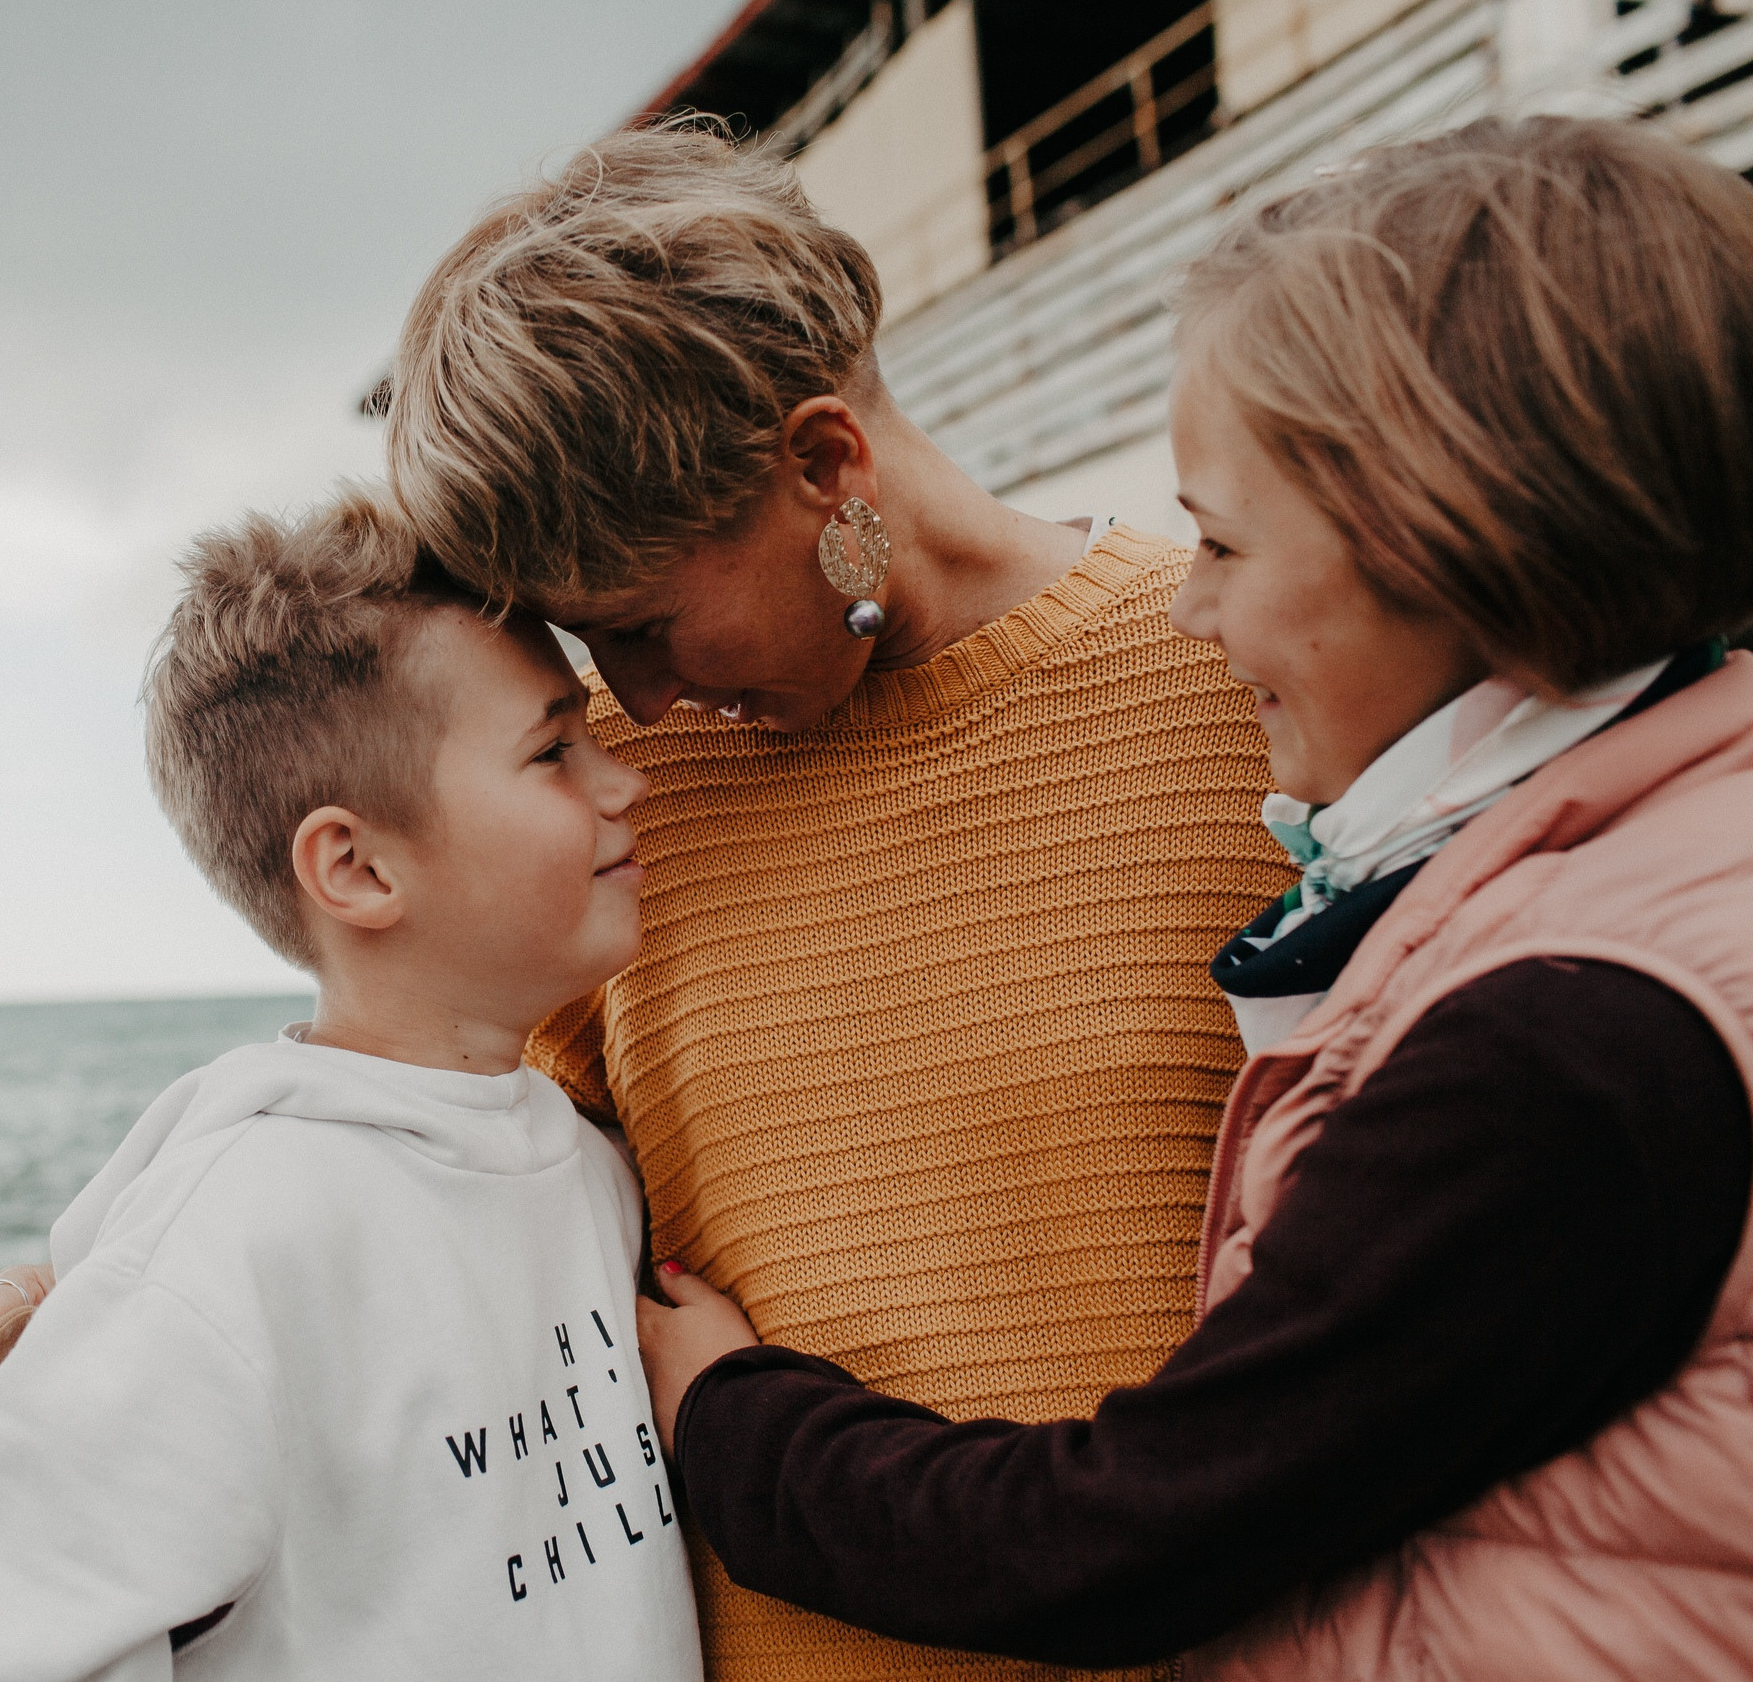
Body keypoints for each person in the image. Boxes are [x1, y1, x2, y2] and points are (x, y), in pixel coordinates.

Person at [633, 117, 1753, 1680]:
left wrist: (732, 1424)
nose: (1191, 600)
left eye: (1224, 538)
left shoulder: (1566, 1038)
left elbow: (1133, 1533)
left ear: (1455, 543)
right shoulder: (1656, 859)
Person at [384, 119, 1291, 1681]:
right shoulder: (595, 800)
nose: (640, 701)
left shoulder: (1237, 680)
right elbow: (429, 1203)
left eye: (648, 623)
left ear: (823, 464)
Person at [0, 490, 703, 1681]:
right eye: (551, 752)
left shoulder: (582, 1158)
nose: (623, 784)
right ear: (358, 866)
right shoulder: (238, 1239)